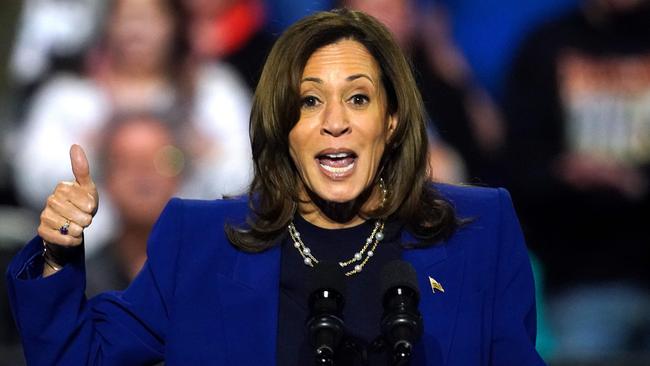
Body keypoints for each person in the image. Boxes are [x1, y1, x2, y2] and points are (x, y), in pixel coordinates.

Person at [6, 9, 545, 365]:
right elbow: (81, 358)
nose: (335, 121)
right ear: (280, 125)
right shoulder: (199, 242)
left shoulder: (480, 231)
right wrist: (57, 253)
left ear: (394, 120)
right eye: (309, 101)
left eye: (358, 99)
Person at [503, 0, 650, 359]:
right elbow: (515, 163)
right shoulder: (546, 43)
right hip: (579, 279)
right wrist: (564, 173)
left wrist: (636, 181)